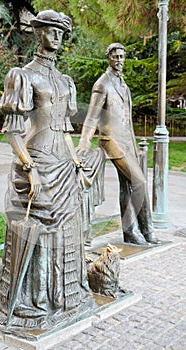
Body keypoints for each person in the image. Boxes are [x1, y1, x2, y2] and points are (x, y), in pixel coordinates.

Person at [0, 10, 104, 331]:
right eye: (51, 31)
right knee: (40, 226)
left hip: (63, 166)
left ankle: (65, 296)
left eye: (62, 32)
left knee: (69, 226)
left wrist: (76, 159)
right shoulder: (23, 76)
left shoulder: (65, 80)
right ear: (38, 33)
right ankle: (32, 301)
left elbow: (64, 129)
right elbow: (12, 131)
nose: (58, 37)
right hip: (36, 161)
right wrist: (29, 167)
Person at [78, 43, 160, 245]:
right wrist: (84, 142)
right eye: (115, 56)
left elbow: (127, 119)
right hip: (111, 142)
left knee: (128, 186)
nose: (119, 60)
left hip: (127, 141)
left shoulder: (123, 85)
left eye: (122, 56)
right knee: (139, 181)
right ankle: (143, 229)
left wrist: (132, 143)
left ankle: (135, 232)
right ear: (108, 58)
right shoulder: (102, 84)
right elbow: (91, 117)